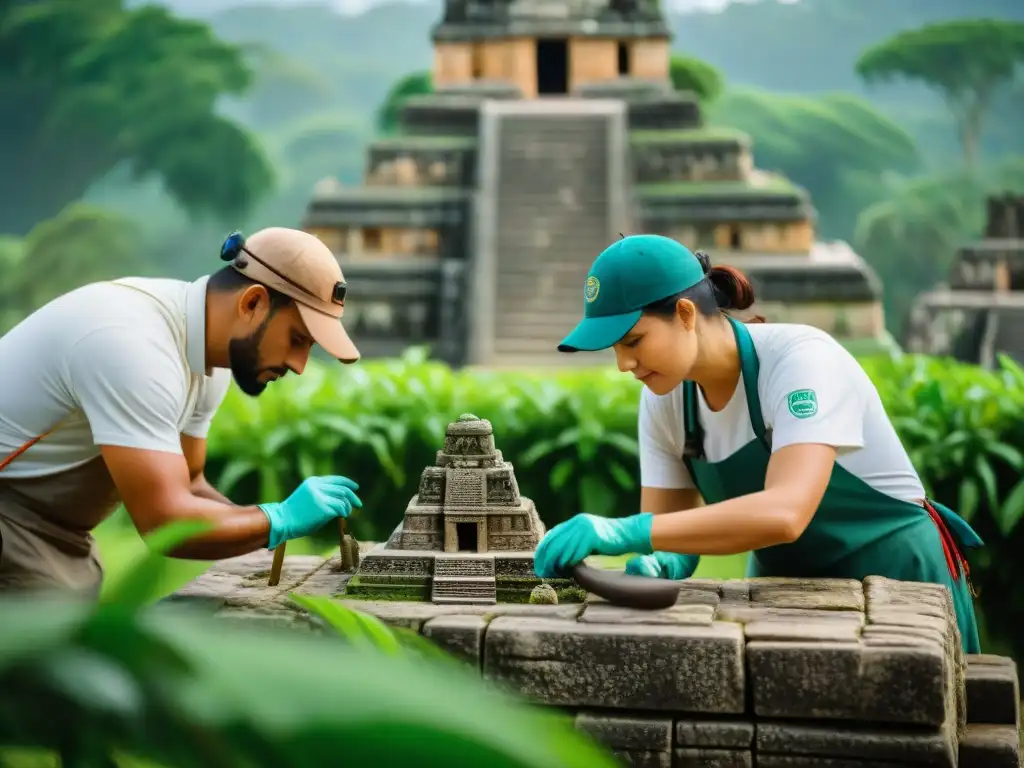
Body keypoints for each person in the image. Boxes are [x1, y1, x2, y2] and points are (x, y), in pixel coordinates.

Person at [533, 234, 984, 653]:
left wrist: (623, 531)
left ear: (686, 315)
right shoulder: (665, 401)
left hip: (900, 583)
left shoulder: (802, 361)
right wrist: (661, 563)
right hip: (789, 592)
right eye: (615, 349)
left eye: (633, 341)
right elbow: (670, 529)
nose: (623, 364)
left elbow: (785, 512)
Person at [0, 227, 364, 598]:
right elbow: (165, 522)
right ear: (252, 303)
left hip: (54, 531)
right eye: (297, 340)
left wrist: (268, 524)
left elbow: (189, 484)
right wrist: (279, 518)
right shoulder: (133, 344)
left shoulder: (209, 361)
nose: (300, 365)